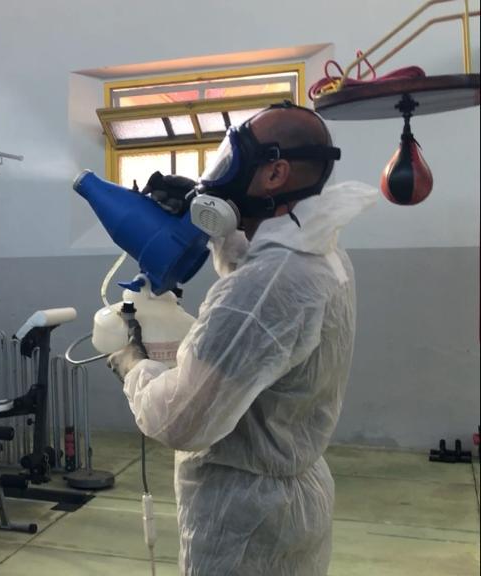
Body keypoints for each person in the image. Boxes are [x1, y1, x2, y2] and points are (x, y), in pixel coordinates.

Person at [108, 102, 378, 575]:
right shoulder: (320, 256)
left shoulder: (263, 287)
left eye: (232, 160)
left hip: (242, 522)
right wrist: (215, 225)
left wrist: (135, 367)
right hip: (291, 502)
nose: (220, 174)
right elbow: (250, 273)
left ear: (274, 173)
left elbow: (182, 420)